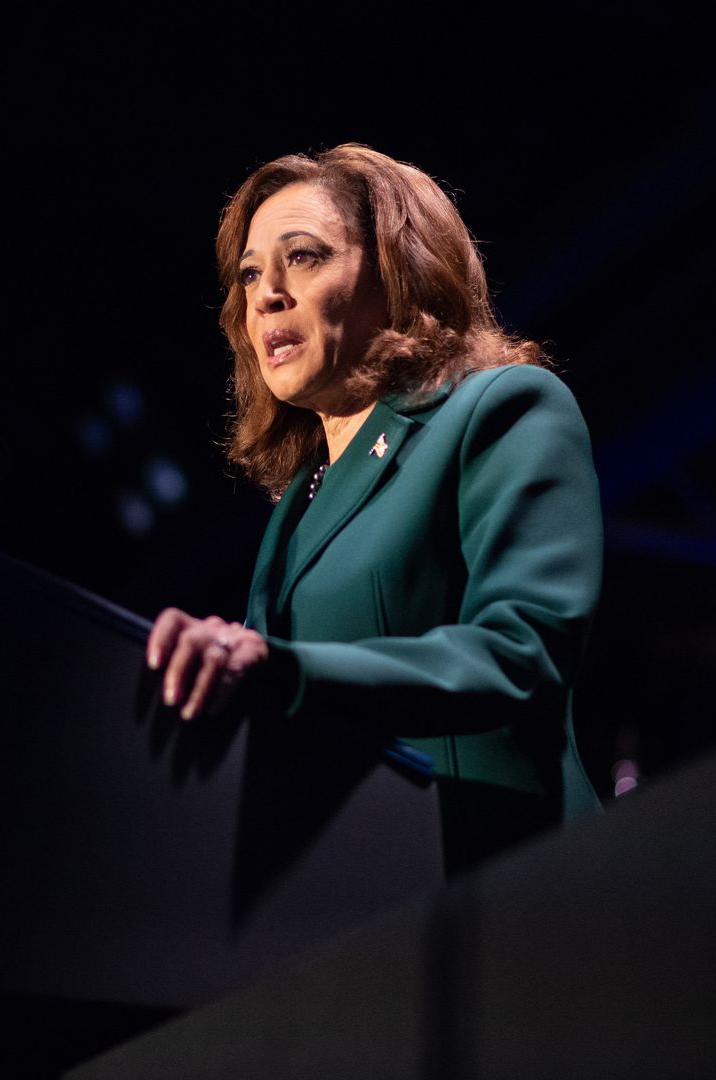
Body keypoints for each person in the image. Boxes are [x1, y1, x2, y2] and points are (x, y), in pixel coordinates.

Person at [145, 145, 603, 872]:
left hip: (512, 880)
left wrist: (286, 671)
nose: (267, 295)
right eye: (252, 274)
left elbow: (523, 653)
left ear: (397, 274)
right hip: (357, 912)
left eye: (303, 257)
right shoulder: (300, 501)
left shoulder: (502, 409)